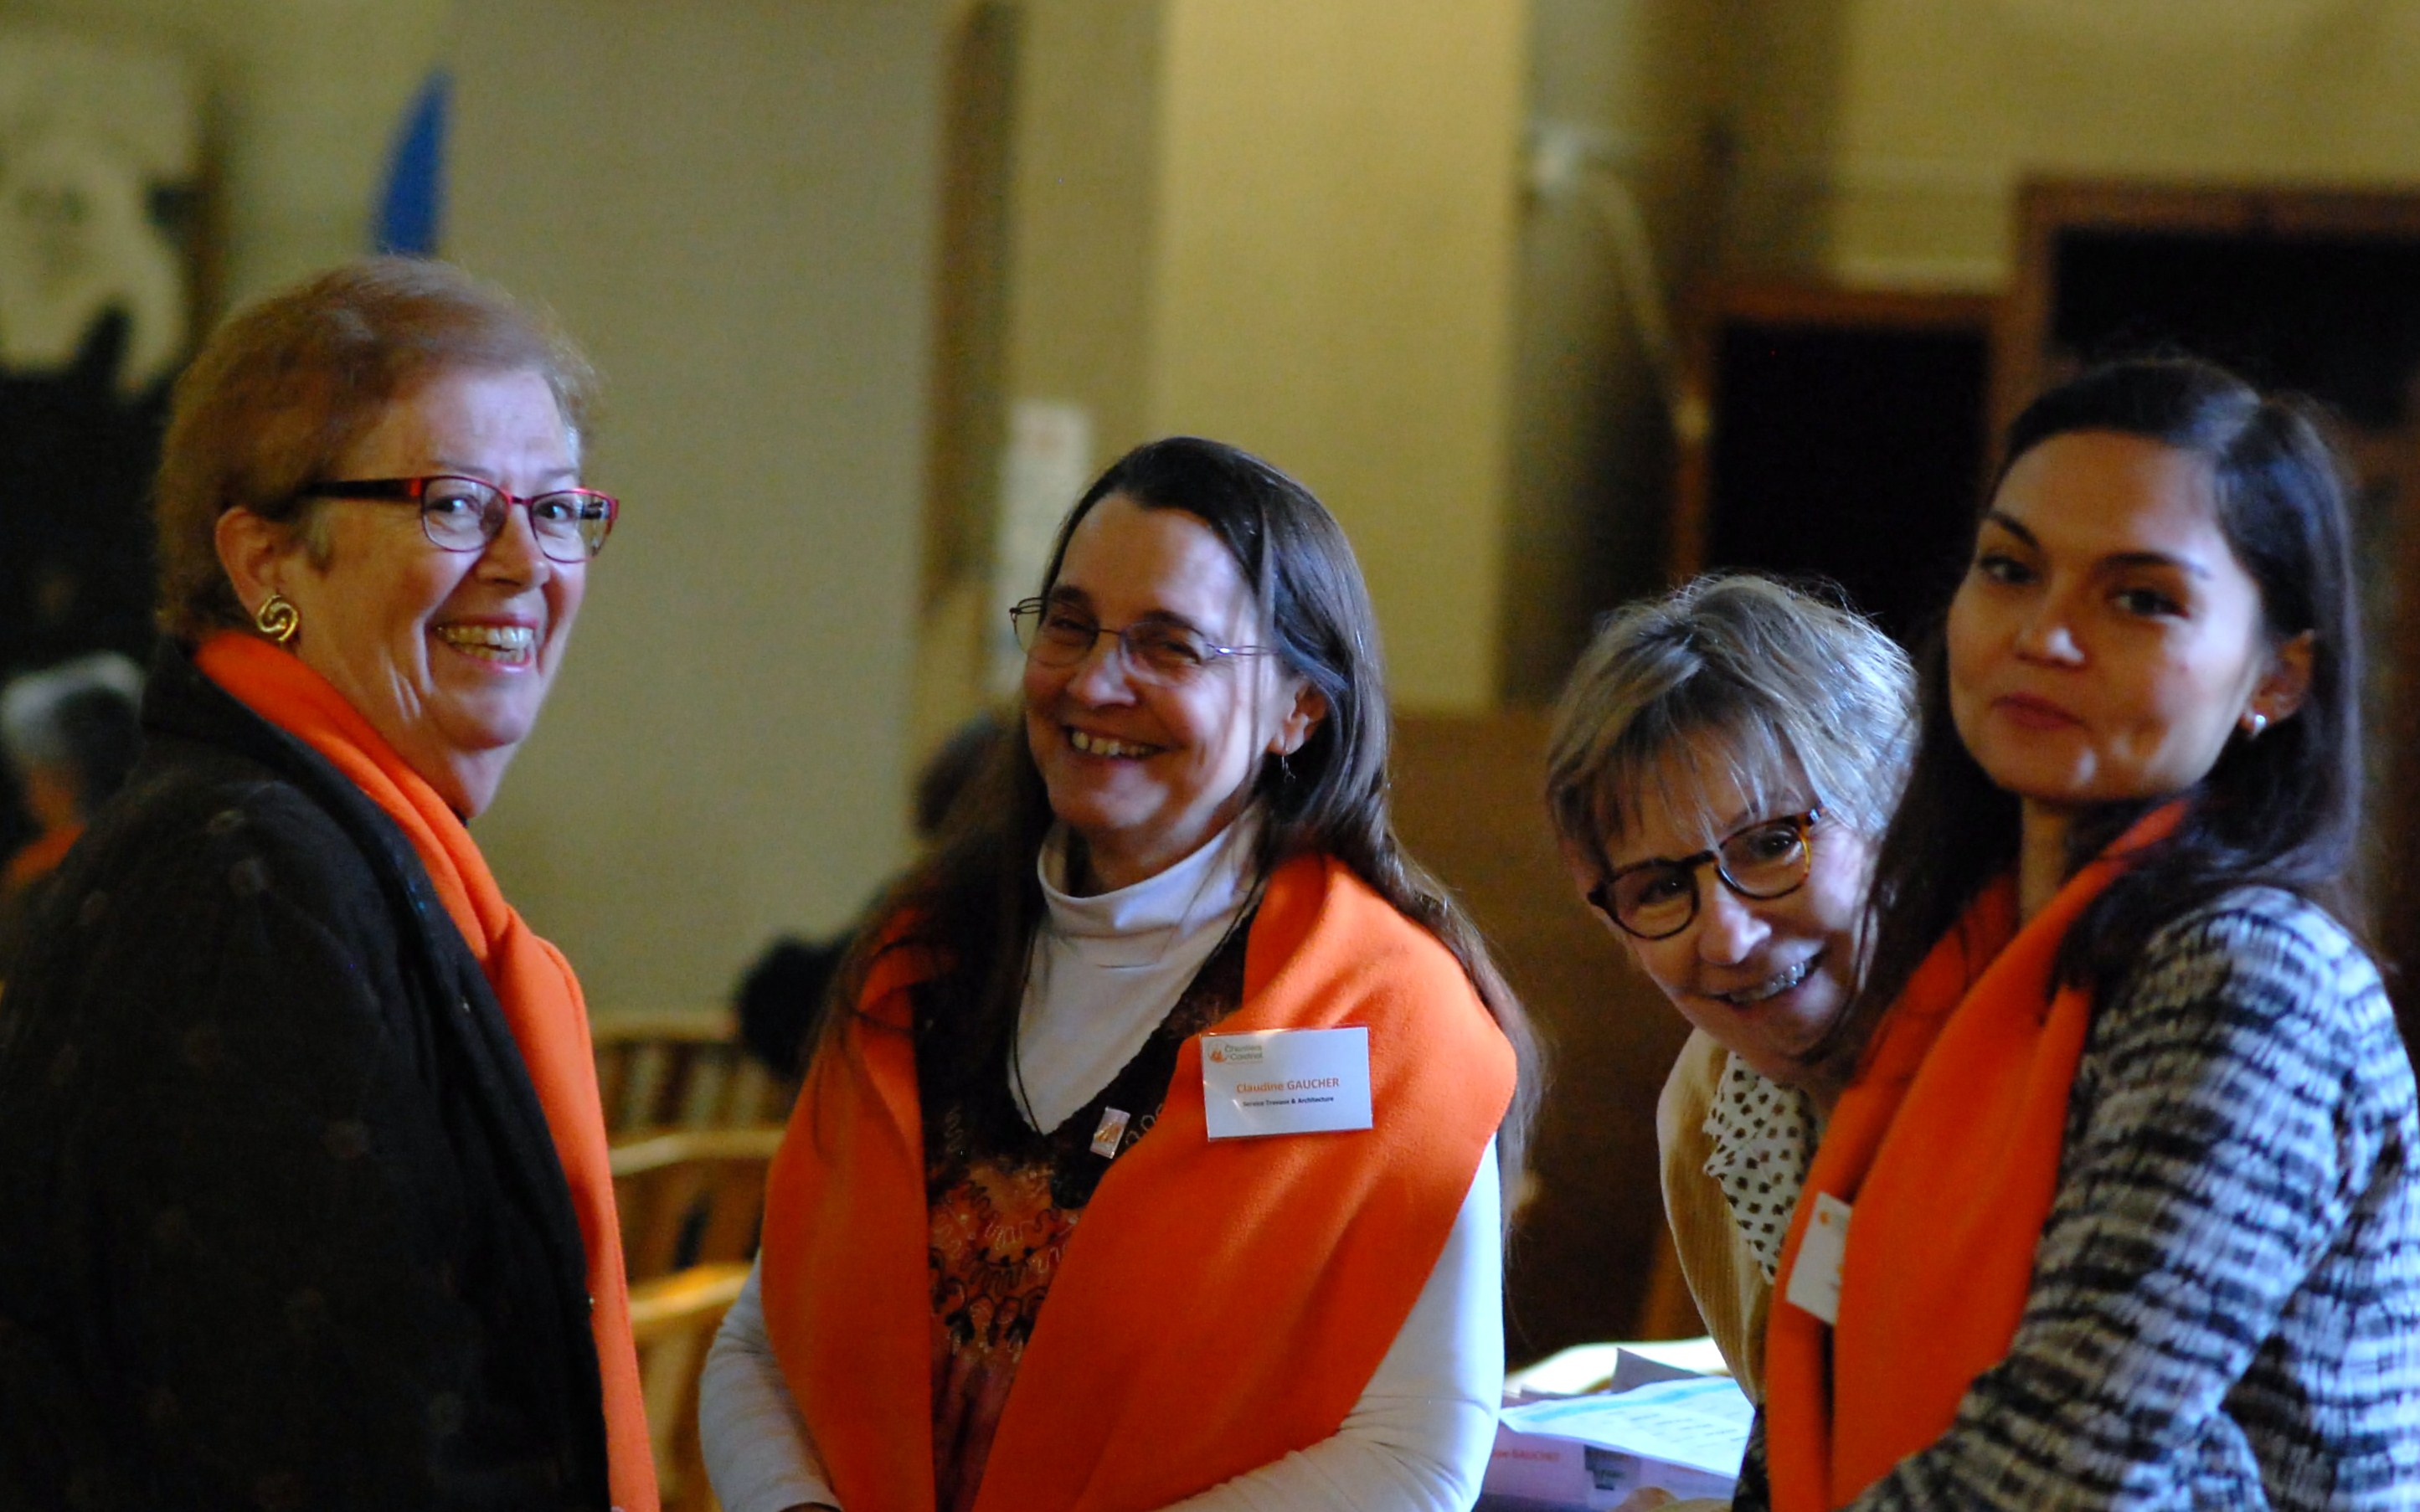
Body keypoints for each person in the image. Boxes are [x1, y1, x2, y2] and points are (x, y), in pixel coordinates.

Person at [700, 436, 1534, 1512]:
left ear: (1298, 709)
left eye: (1168, 645)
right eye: (1070, 625)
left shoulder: (1390, 1022)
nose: (1094, 682)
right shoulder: (919, 963)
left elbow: (1414, 1456)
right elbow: (761, 1343)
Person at [0, 258, 657, 1511]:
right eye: (456, 504)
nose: (526, 562)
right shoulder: (242, 881)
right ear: (266, 565)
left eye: (558, 508)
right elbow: (336, 1454)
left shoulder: (319, 841)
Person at [1752, 357, 2420, 1509]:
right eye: (2009, 569)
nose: (2045, 635)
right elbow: (1816, 1358)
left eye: (2140, 598)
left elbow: (2065, 1465)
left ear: (2275, 678)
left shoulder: (2250, 979)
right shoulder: (1959, 953)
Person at [1542, 574, 1914, 1402]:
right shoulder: (1712, 1108)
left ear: (1900, 804)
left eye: (1772, 844)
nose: (1728, 938)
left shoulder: (2053, 1066)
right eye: (1658, 888)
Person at [0, 651, 145, 971]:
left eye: (31, 773)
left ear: (63, 776)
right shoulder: (164, 846)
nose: (27, 793)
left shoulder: (36, 876)